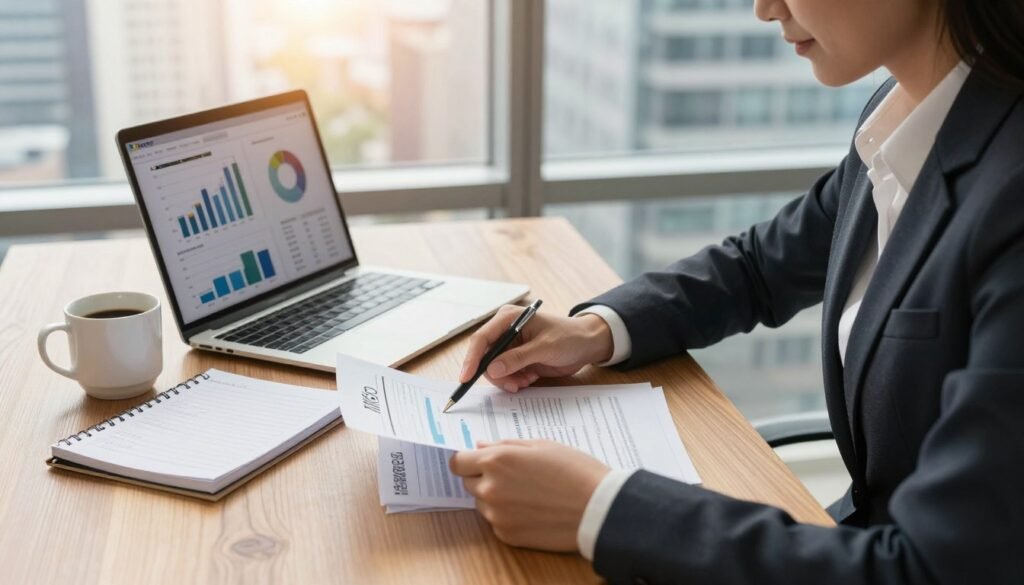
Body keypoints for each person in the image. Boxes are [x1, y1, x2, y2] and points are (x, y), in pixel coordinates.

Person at [448, 0, 1024, 583]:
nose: (763, 8)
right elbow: (759, 267)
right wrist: (593, 331)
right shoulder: (902, 116)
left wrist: (599, 508)